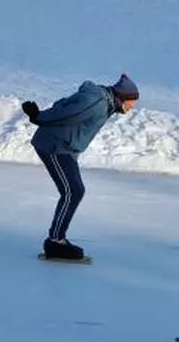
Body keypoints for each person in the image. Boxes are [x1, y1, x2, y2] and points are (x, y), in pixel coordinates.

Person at [21, 74, 139, 261]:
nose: (132, 107)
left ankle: (57, 239)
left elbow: (65, 104)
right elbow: (68, 113)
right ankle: (55, 242)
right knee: (72, 192)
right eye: (132, 102)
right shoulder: (98, 102)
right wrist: (39, 117)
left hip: (64, 147)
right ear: (123, 97)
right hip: (54, 146)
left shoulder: (103, 102)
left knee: (74, 191)